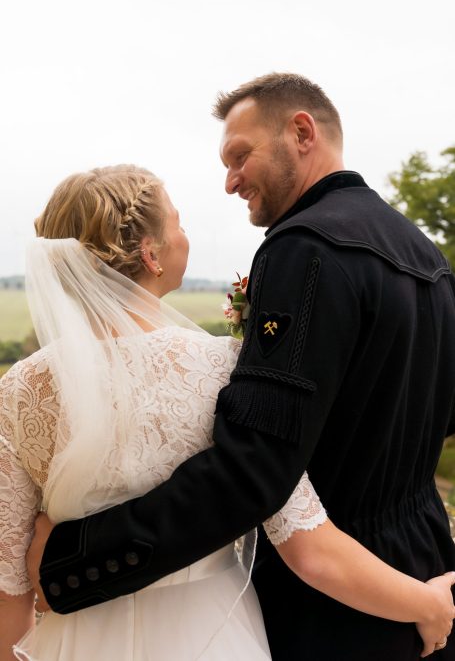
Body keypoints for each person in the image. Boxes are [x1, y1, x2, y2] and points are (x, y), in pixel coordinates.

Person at [25, 71, 455, 659]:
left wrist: (72, 563)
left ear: (302, 132)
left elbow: (254, 471)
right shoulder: (423, 254)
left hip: (333, 604)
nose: (230, 182)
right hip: (424, 572)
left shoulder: (304, 249)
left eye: (239, 156)